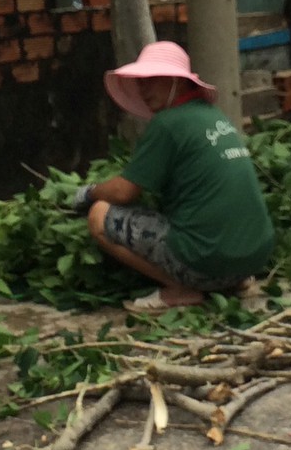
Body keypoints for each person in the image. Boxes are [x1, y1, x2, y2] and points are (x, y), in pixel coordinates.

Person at [74, 41, 275, 316]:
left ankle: (181, 288)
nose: (144, 90)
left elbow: (123, 193)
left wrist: (89, 192)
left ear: (175, 82)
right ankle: (235, 281)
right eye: (141, 82)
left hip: (209, 262)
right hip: (254, 259)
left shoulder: (167, 124)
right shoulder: (215, 116)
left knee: (100, 214)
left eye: (152, 81)